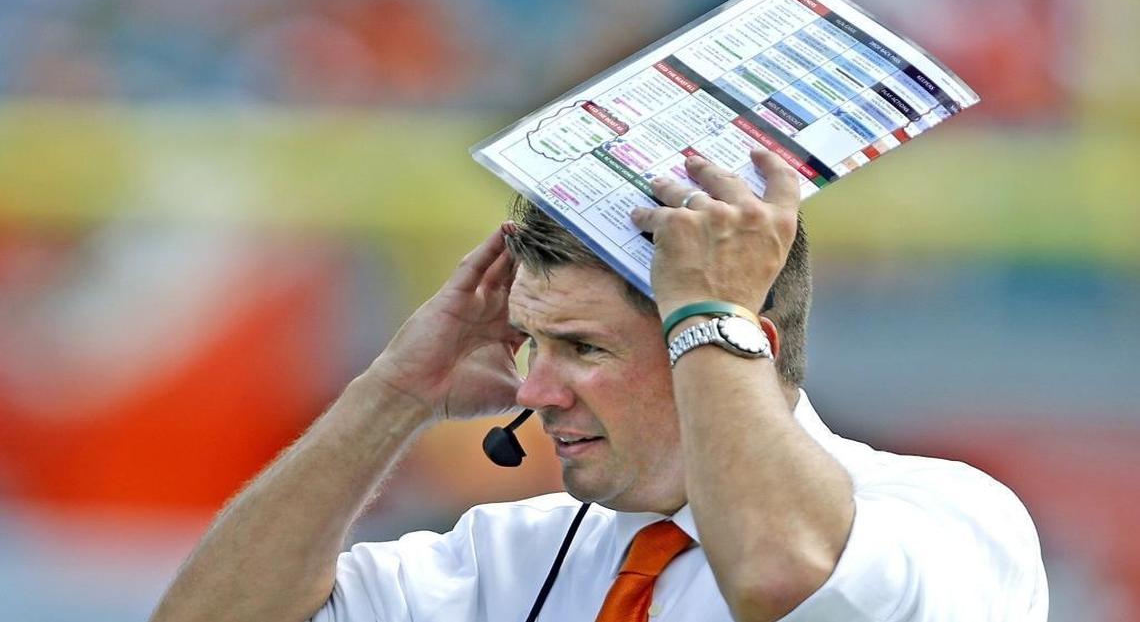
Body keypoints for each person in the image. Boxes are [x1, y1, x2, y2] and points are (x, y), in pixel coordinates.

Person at [150, 149, 1048, 622]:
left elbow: (782, 576)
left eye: (582, 347)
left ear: (742, 339)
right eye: (531, 341)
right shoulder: (508, 554)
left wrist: (707, 307)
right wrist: (394, 391)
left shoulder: (950, 517)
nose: (534, 389)